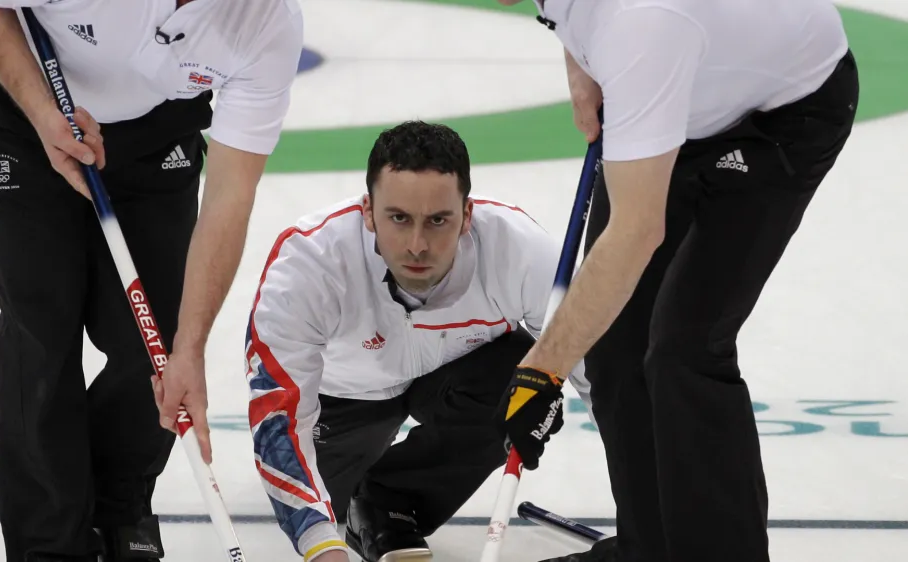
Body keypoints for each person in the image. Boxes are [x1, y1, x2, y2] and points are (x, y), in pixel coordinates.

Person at [489, 0, 860, 561]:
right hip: (680, 84)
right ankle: (651, 548)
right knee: (613, 345)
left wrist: (544, 368)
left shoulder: (641, 24)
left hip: (782, 116)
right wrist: (581, 65)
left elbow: (638, 233)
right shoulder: (628, 35)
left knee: (685, 349)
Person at [0, 0, 303, 559]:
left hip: (156, 130)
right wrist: (43, 114)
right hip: (20, 105)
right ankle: (48, 541)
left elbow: (231, 197)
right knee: (42, 329)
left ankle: (119, 503)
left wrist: (192, 347)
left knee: (156, 344)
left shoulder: (267, 22)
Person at [243, 120, 591, 562]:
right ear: (367, 210)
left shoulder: (519, 250)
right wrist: (320, 544)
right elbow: (278, 415)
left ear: (467, 215)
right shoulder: (310, 265)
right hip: (344, 399)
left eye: (438, 220)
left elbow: (598, 371)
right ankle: (349, 503)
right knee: (319, 505)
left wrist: (649, 508)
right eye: (399, 218)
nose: (417, 245)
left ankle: (388, 500)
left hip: (454, 375)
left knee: (529, 375)